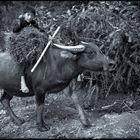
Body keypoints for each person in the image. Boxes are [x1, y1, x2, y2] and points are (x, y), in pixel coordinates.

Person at [12, 6, 45, 93]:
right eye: (28, 15)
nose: (30, 17)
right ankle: (23, 82)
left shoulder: (34, 23)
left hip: (33, 46)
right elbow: (14, 31)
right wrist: (19, 23)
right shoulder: (20, 22)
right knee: (24, 61)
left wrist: (43, 33)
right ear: (24, 15)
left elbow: (39, 31)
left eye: (32, 15)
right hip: (21, 46)